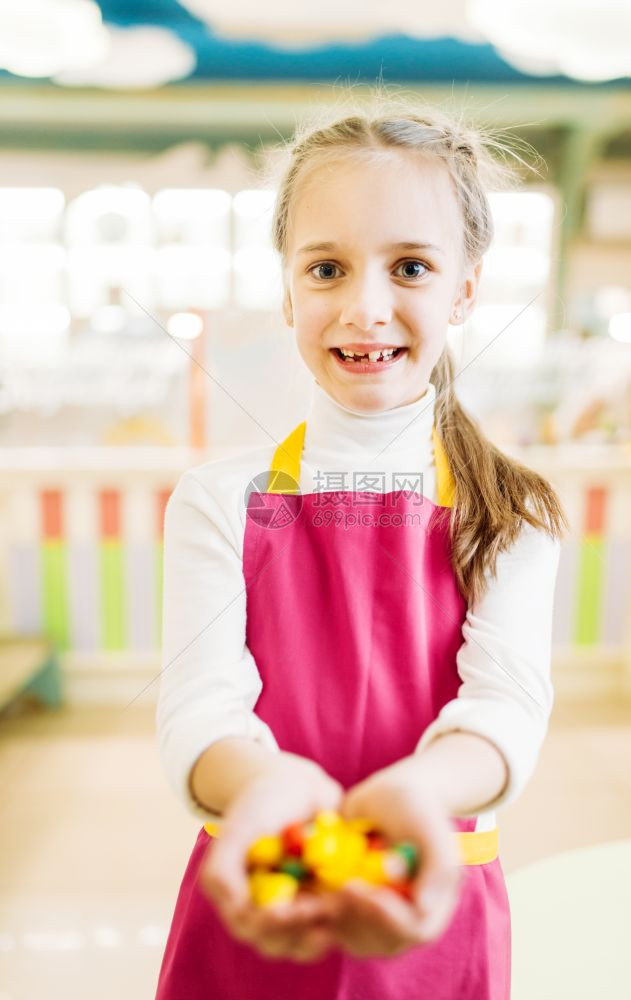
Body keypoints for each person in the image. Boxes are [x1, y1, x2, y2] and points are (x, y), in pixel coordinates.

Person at [154, 89, 568, 1000]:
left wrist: (420, 793)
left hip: (435, 893)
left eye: (411, 267)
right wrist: (264, 794)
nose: (366, 307)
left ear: (466, 289)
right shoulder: (219, 501)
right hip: (264, 879)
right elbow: (200, 707)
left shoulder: (515, 512)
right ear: (289, 290)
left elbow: (506, 711)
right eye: (328, 269)